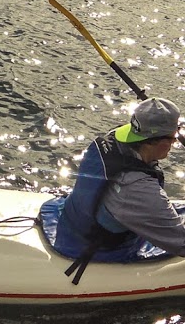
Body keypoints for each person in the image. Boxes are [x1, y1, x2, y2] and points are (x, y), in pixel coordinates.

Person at [54, 97, 185, 268]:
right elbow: (180, 242)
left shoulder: (114, 138)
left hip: (73, 222)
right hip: (99, 249)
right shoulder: (138, 189)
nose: (175, 142)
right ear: (160, 142)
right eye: (174, 138)